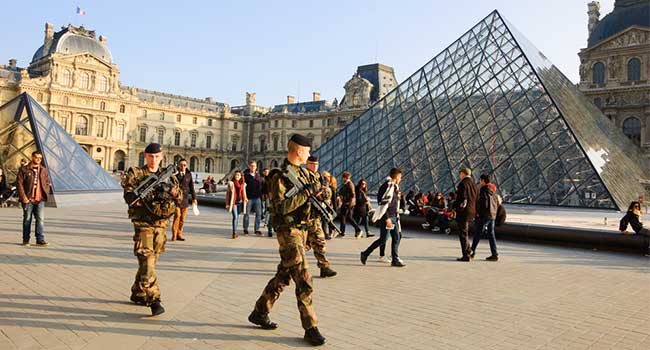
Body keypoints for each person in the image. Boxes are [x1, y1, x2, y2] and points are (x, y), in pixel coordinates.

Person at [249, 134, 326, 346]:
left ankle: (259, 311)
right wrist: (307, 194)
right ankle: (310, 327)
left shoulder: (303, 174)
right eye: (307, 151)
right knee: (304, 279)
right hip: (288, 232)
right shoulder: (278, 176)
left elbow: (315, 194)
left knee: (283, 276)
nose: (310, 155)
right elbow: (281, 207)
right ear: (299, 151)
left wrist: (322, 193)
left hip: (302, 231)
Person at [122, 143, 182, 316]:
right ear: (145, 156)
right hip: (143, 223)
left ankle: (138, 291)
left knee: (151, 260)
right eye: (150, 156)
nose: (153, 160)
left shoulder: (169, 176)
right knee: (146, 257)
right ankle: (154, 299)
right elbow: (129, 197)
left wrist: (169, 190)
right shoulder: (136, 173)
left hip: (162, 223)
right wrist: (150, 194)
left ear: (161, 157)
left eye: (157, 157)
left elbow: (180, 196)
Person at [360, 168, 406, 267]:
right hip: (388, 217)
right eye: (400, 177)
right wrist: (387, 218)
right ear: (397, 177)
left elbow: (394, 202)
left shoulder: (395, 187)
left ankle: (395, 259)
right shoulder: (386, 186)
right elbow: (382, 203)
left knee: (397, 236)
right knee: (383, 239)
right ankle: (365, 253)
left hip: (394, 216)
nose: (401, 179)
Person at [305, 156, 337, 278]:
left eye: (316, 164)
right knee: (304, 245)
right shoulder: (302, 176)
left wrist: (323, 193)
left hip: (314, 216)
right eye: (312, 164)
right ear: (307, 163)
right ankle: (289, 264)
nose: (315, 166)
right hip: (304, 216)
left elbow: (328, 191)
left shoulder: (318, 176)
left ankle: (324, 267)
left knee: (319, 242)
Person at [17, 151, 51, 246]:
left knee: (40, 219)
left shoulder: (44, 170)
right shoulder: (24, 169)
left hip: (40, 199)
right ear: (32, 157)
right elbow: (19, 184)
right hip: (28, 199)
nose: (38, 160)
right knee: (27, 220)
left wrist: (47, 190)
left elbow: (47, 182)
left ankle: (40, 239)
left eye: (40, 158)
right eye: (36, 157)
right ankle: (26, 240)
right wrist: (24, 197)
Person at [470, 174, 499, 261]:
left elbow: (484, 203)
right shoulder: (493, 190)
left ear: (482, 180)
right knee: (491, 234)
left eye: (480, 180)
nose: (479, 182)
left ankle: (471, 252)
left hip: (485, 215)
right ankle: (494, 254)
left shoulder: (484, 189)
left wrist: (478, 213)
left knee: (478, 233)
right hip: (492, 214)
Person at [454, 168, 478, 262]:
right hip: (472, 211)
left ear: (463, 174)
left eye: (460, 174)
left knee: (463, 233)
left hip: (464, 211)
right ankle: (469, 251)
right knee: (465, 232)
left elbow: (463, 199)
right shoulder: (474, 184)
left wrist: (456, 207)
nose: (459, 176)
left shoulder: (463, 184)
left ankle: (466, 255)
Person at [171, 159, 197, 241]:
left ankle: (179, 234)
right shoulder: (175, 174)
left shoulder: (189, 175)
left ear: (187, 165)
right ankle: (174, 234)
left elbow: (192, 187)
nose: (183, 166)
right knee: (177, 215)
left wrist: (194, 198)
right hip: (177, 199)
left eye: (184, 165)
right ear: (178, 165)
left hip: (185, 199)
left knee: (182, 218)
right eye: (181, 165)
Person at [338, 171, 362, 238]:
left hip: (347, 203)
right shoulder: (347, 184)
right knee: (348, 217)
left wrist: (350, 203)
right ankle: (357, 230)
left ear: (345, 177)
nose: (342, 179)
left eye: (343, 177)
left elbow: (352, 194)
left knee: (343, 217)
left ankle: (342, 232)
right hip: (347, 203)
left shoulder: (349, 184)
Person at [243, 160, 263, 236]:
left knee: (258, 214)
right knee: (246, 214)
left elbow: (261, 185)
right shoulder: (246, 175)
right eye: (251, 166)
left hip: (257, 197)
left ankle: (257, 229)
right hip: (248, 198)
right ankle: (245, 229)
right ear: (249, 166)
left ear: (256, 167)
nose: (253, 167)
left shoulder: (258, 175)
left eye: (254, 166)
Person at [226, 170, 247, 239]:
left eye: (238, 175)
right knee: (235, 217)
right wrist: (227, 204)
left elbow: (243, 193)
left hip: (240, 202)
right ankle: (234, 232)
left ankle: (235, 231)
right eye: (236, 175)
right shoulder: (231, 183)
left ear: (241, 176)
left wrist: (245, 199)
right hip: (233, 203)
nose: (237, 176)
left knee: (237, 217)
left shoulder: (243, 184)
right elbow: (228, 194)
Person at [261, 167, 273, 237]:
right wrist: (263, 195)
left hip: (271, 197)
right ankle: (269, 228)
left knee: (269, 211)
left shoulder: (271, 179)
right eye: (265, 172)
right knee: (268, 210)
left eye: (267, 172)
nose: (266, 173)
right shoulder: (263, 179)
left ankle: (268, 226)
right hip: (267, 196)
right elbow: (263, 188)